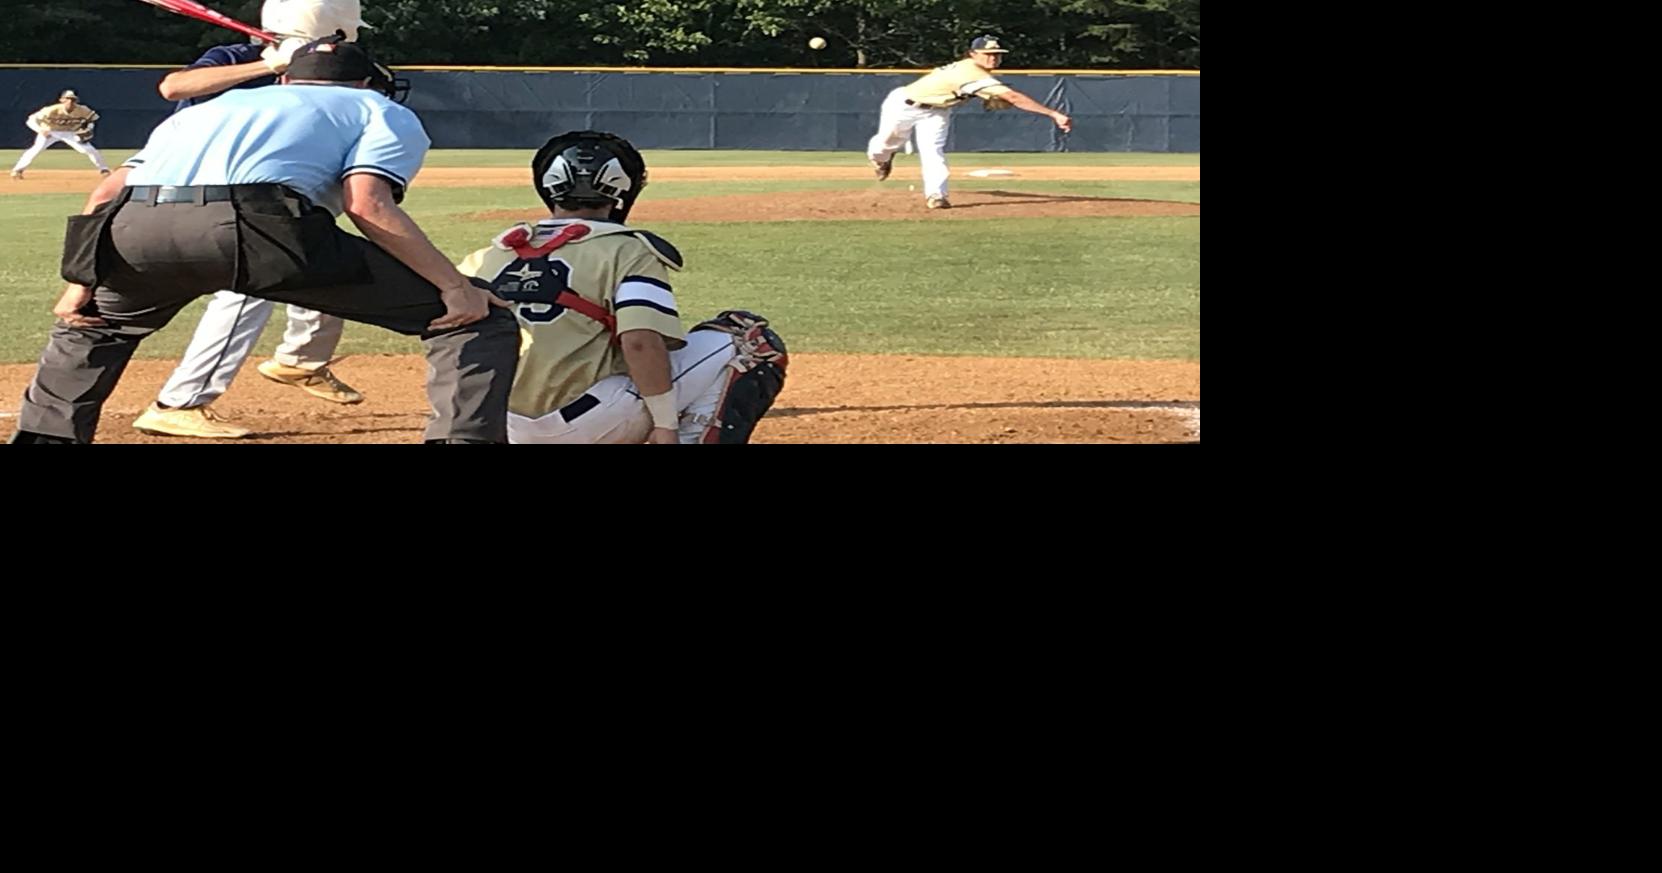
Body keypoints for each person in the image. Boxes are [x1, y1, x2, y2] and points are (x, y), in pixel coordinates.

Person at [7, 37, 517, 445]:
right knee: (477, 319)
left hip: (135, 227)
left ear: (287, 76)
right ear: (366, 81)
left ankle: (43, 438)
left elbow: (106, 191)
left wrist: (83, 281)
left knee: (92, 328)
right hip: (263, 229)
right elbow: (366, 203)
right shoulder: (375, 108)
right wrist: (455, 288)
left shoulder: (208, 108)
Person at [134, 0, 374, 439]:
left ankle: (301, 361)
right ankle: (180, 401)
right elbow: (175, 88)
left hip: (270, 188)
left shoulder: (330, 65)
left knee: (320, 250)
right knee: (250, 282)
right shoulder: (238, 55)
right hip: (196, 180)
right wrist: (268, 66)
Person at [456, 130, 787, 444]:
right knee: (750, 341)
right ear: (622, 190)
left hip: (500, 424)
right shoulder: (627, 249)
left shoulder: (487, 256)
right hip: (592, 422)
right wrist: (665, 425)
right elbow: (640, 342)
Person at [866, 35, 1072, 209]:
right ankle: (882, 160)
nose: (994, 58)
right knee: (885, 144)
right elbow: (1014, 98)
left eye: (997, 54)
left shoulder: (978, 73)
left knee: (933, 151)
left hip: (938, 111)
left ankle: (937, 195)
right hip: (904, 105)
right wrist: (1053, 114)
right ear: (973, 54)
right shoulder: (970, 71)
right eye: (988, 54)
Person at [10, 90, 110, 179]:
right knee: (36, 149)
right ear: (61, 100)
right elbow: (31, 120)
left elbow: (92, 120)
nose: (70, 101)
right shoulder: (51, 109)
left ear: (76, 101)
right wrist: (39, 130)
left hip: (70, 132)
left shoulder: (83, 109)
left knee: (89, 149)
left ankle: (104, 170)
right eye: (67, 99)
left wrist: (88, 129)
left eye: (73, 99)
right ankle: (17, 170)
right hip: (50, 131)